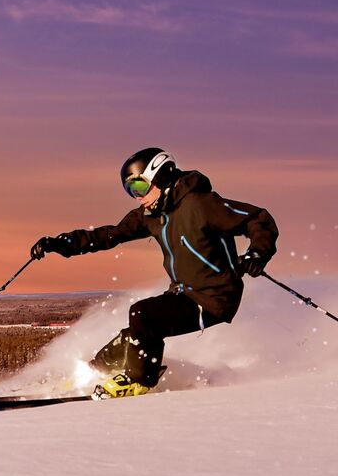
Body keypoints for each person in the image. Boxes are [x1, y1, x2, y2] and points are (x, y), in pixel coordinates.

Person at [31, 147, 279, 398]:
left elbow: (257, 219)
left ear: (160, 176)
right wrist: (62, 244)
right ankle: (96, 371)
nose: (137, 197)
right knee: (132, 337)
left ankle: (139, 380)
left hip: (215, 297)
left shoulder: (201, 204)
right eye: (130, 191)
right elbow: (110, 235)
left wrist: (257, 253)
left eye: (139, 187)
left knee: (143, 315)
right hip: (183, 294)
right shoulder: (152, 215)